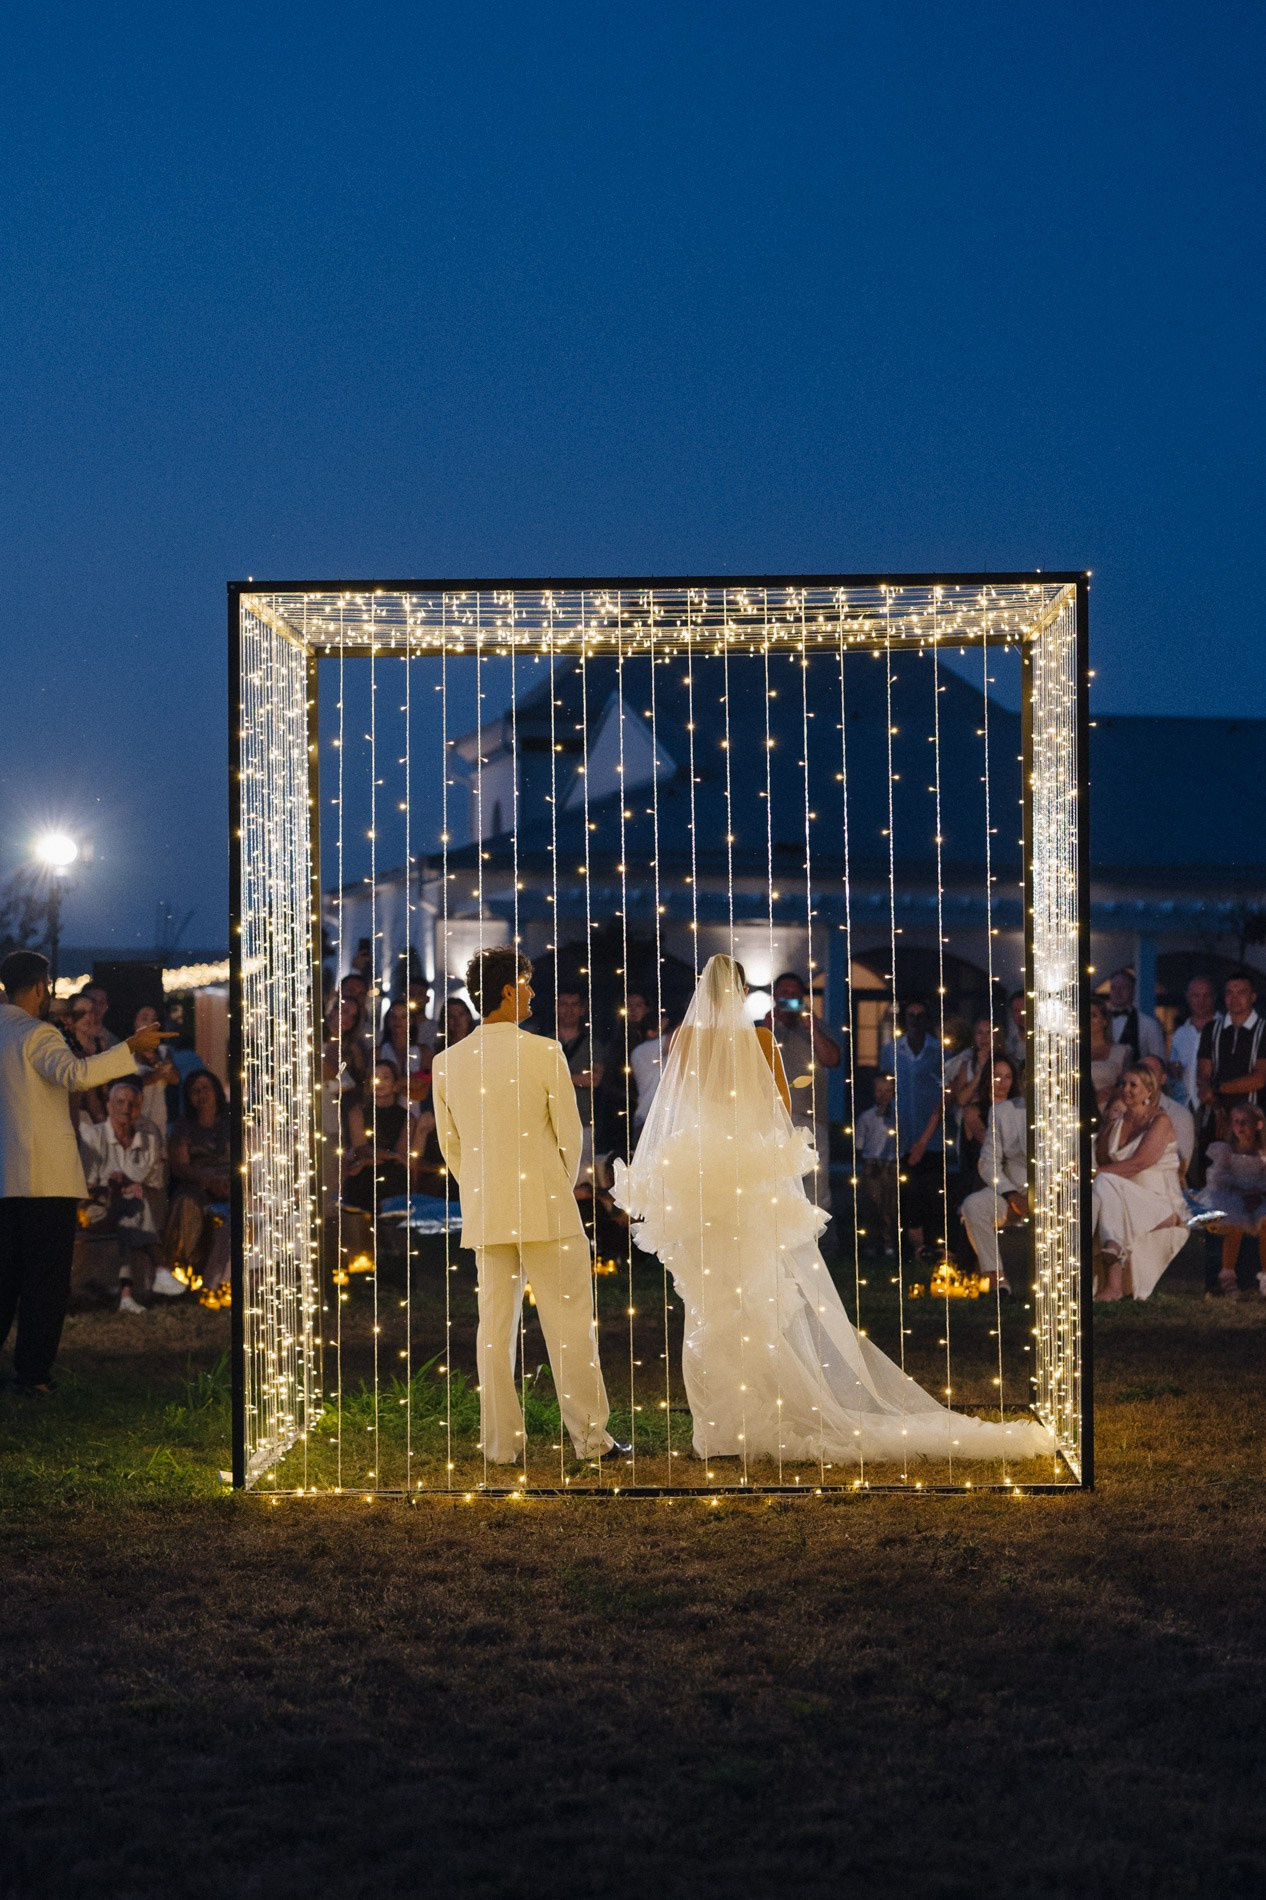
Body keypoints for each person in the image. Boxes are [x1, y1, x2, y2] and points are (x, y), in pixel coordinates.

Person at [613, 955, 1052, 1466]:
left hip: (702, 1174)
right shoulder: (758, 1041)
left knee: (711, 1299)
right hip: (746, 1174)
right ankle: (761, 1407)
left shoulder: (684, 1042)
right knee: (756, 1291)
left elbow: (675, 1102)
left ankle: (722, 1427)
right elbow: (777, 1108)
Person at [431, 948, 622, 1467]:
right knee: (569, 1324)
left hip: (486, 1211)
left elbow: (452, 1147)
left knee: (493, 1328)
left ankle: (500, 1446)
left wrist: (481, 1189)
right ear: (509, 989)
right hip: (546, 1206)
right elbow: (570, 1136)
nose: (534, 993)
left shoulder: (446, 1063)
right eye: (529, 984)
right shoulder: (544, 1052)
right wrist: (554, 1186)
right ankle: (590, 1440)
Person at [1, 950, 170, 1389]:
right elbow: (74, 1075)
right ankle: (32, 1374)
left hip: (2, 1177)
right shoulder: (37, 1034)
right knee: (45, 1280)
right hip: (43, 1178)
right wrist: (130, 1048)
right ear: (40, 987)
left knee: (3, 1278)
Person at [77, 1076, 176, 1310]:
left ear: (139, 1107)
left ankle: (126, 1296)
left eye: (132, 1104)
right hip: (96, 1207)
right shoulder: (93, 1136)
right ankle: (160, 1268)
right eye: (120, 1103)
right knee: (131, 1206)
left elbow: (155, 1181)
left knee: (129, 1210)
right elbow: (84, 1187)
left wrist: (130, 1185)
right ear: (109, 1107)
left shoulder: (147, 1138)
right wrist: (114, 1187)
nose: (126, 1109)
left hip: (131, 1208)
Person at [1092, 1063, 1186, 1302]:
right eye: (1123, 1084)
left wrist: (1093, 1173)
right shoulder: (1116, 1125)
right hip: (1122, 1201)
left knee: (1103, 1179)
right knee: (1102, 1189)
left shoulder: (1160, 1121)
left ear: (1149, 1091)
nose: (1126, 1089)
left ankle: (1113, 1260)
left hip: (1158, 1204)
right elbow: (1102, 1163)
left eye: (1134, 1085)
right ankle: (1113, 1271)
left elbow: (1140, 1163)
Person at [764, 971, 840, 1220]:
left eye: (795, 995)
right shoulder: (765, 1027)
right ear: (775, 996)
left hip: (812, 1117)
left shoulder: (816, 1027)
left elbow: (832, 1059)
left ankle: (818, 1243)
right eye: (784, 994)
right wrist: (768, 1027)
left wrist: (813, 1029)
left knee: (814, 1182)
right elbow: (755, 1063)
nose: (789, 999)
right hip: (772, 1119)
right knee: (775, 1180)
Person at [880, 999, 944, 1258]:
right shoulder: (892, 1050)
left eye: (920, 1015)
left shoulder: (939, 1050)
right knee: (907, 1192)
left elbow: (943, 1092)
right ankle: (913, 1248)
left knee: (930, 1191)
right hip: (902, 1130)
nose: (915, 1021)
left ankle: (934, 1244)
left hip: (932, 1134)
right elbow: (885, 1082)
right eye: (910, 1016)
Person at [959, 1057, 1027, 1294]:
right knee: (974, 1205)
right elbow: (988, 1161)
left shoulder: (1068, 1111)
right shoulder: (1002, 1112)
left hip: (1055, 1192)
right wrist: (1011, 1194)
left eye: (1008, 1077)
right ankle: (999, 1279)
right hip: (1012, 1189)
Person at [165, 1070, 232, 1298]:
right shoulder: (184, 1126)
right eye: (195, 1091)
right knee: (186, 1204)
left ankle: (223, 1277)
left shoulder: (231, 1120)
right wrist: (206, 1181)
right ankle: (186, 1271)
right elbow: (180, 1165)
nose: (201, 1094)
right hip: (197, 1183)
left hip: (230, 1182)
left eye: (205, 1088)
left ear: (215, 1091)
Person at [1193, 1104, 1266, 1300]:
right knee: (1234, 1226)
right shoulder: (1226, 1150)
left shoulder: (1262, 1152)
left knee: (1265, 1223)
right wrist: (1240, 1191)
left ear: (1257, 1125)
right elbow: (1219, 1177)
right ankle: (1227, 1277)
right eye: (1236, 1122)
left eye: (1245, 1122)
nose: (1240, 1126)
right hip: (1231, 1194)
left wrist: (1257, 1192)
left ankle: (1265, 1278)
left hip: (1257, 1196)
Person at [342, 1059, 412, 1214]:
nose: (380, 1082)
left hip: (391, 1174)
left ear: (395, 1083)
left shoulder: (406, 1117)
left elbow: (401, 1155)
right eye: (375, 1077)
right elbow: (361, 1148)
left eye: (386, 1077)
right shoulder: (358, 1112)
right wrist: (388, 1156)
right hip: (365, 1173)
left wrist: (370, 1160)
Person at [1197, 969, 1266, 1125]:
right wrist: (1214, 1102)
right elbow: (1203, 1074)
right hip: (1215, 1116)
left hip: (1254, 1120)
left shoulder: (1263, 1030)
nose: (1235, 998)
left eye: (1241, 992)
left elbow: (1259, 1079)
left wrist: (1216, 1088)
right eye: (1229, 993)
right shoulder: (1211, 1029)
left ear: (1252, 997)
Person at [854, 1072, 898, 1256]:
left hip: (892, 1164)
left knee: (891, 1205)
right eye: (879, 1091)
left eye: (888, 1091)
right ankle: (871, 1243)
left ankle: (889, 1244)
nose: (883, 1095)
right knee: (872, 1204)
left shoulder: (897, 1117)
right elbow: (859, 1143)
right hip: (872, 1164)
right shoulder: (866, 1117)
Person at [1139, 1054, 1195, 1175]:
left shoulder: (1179, 1115)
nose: (1145, 1077)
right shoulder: (1122, 1109)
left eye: (1151, 1072)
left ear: (1163, 1079)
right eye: (1141, 1070)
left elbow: (1182, 1165)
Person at [1169, 975, 1217, 1110]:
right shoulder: (1180, 1033)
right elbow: (1173, 1075)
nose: (1201, 1001)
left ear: (1214, 997)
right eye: (1196, 995)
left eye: (1206, 995)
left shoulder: (1224, 1028)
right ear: (1187, 997)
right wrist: (1173, 1070)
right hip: (1183, 1104)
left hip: (1213, 1104)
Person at [132, 1004, 179, 1134]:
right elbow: (131, 1083)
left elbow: (175, 1079)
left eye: (154, 1020)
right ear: (135, 1022)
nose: (150, 1024)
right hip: (134, 1120)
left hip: (158, 1121)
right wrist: (156, 1075)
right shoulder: (125, 1052)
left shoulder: (163, 1052)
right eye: (145, 1018)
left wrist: (155, 1059)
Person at [1107, 968, 1165, 1064]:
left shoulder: (1149, 1024)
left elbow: (1158, 1060)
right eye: (1114, 988)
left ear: (1133, 991)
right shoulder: (1099, 1021)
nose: (1117, 992)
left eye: (1123, 988)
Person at [1089, 998, 1129, 1115]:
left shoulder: (1121, 1051)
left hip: (1108, 1110)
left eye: (1093, 1015)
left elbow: (1129, 1083)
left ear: (1105, 1021)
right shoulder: (1070, 1051)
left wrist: (1113, 1091)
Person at [1003, 989, 1027, 1073]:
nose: (1022, 1015)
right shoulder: (1008, 1046)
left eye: (1025, 1010)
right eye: (1017, 1010)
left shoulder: (1048, 1044)